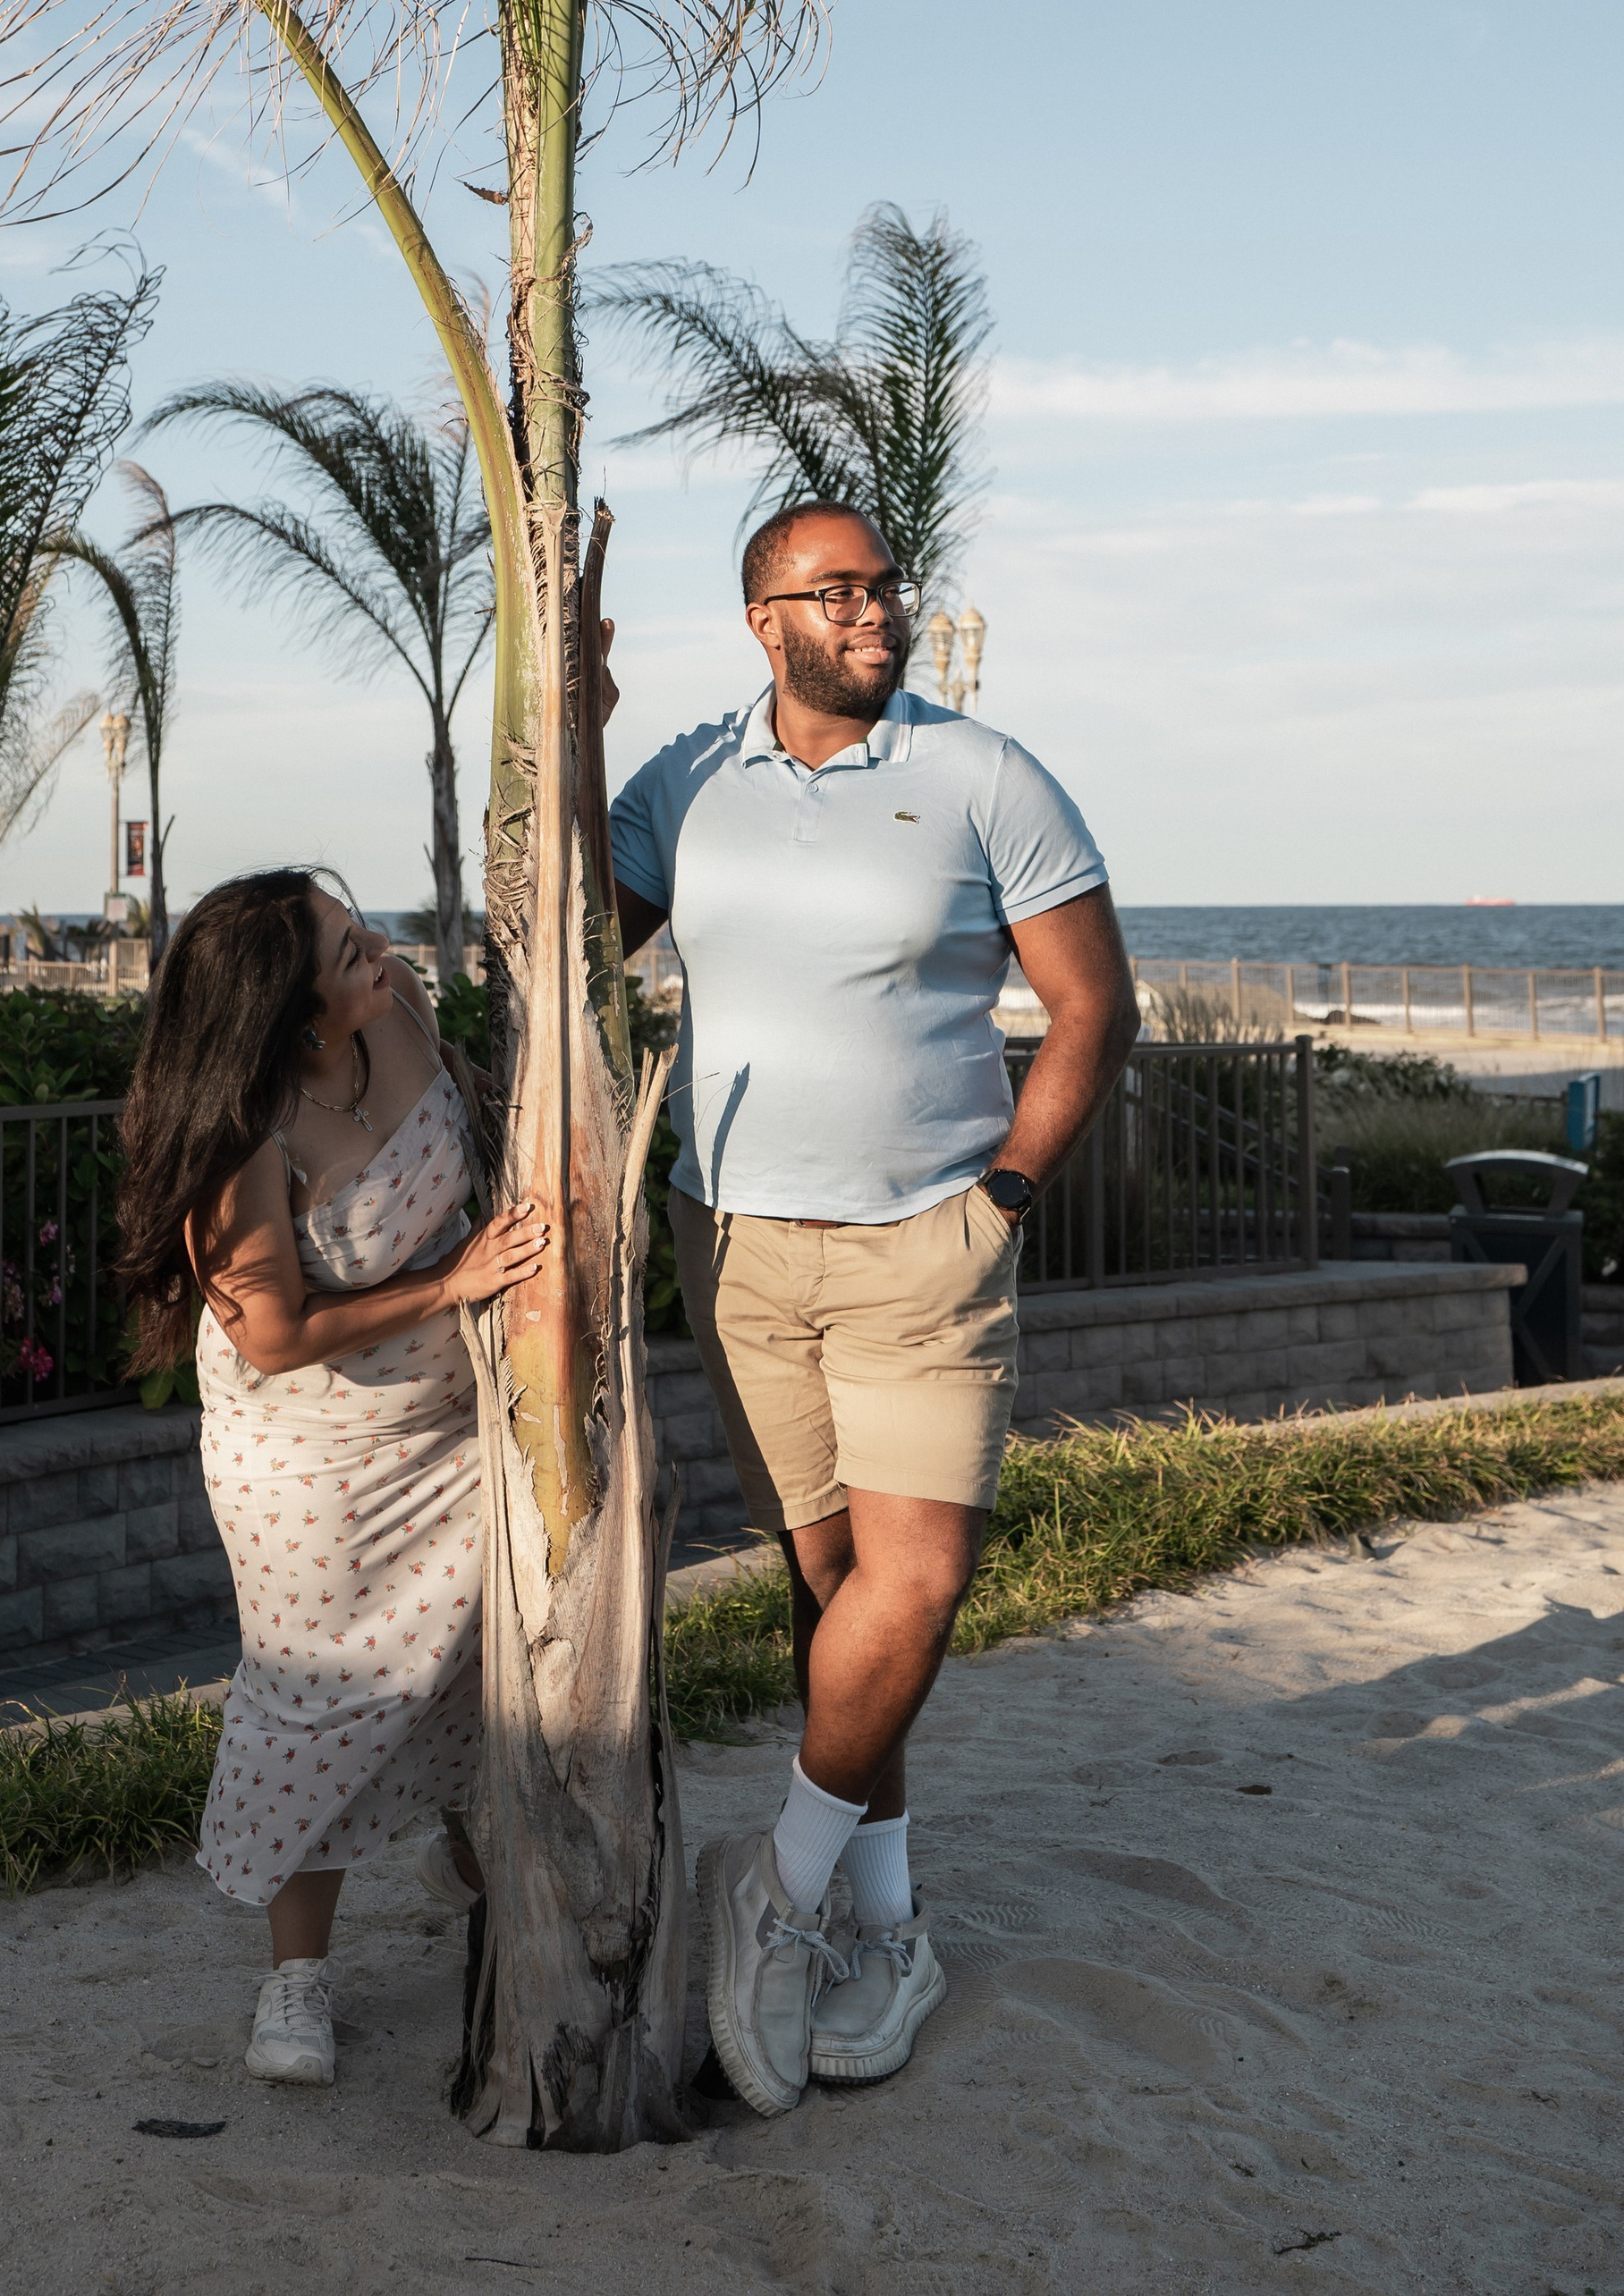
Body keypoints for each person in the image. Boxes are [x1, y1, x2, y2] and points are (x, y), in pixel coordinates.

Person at [608, 502, 1138, 2116]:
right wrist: (572, 720)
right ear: (762, 619)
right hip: (738, 1244)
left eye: (885, 586)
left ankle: (774, 1884)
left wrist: (1006, 1198)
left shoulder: (983, 775)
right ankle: (890, 1927)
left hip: (929, 1245)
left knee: (915, 1582)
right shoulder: (685, 783)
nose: (875, 612)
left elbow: (1093, 1005)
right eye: (836, 591)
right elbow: (561, 934)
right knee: (830, 1588)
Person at [114, 870, 546, 2089]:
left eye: (363, 932)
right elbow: (273, 1334)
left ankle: (479, 1864)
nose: (381, 953)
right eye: (349, 949)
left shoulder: (399, 1011)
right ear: (287, 1006)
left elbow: (479, 1116)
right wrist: (454, 1284)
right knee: (321, 1698)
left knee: (487, 1657)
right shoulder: (243, 1137)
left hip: (461, 1420)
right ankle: (296, 1980)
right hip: (314, 1469)